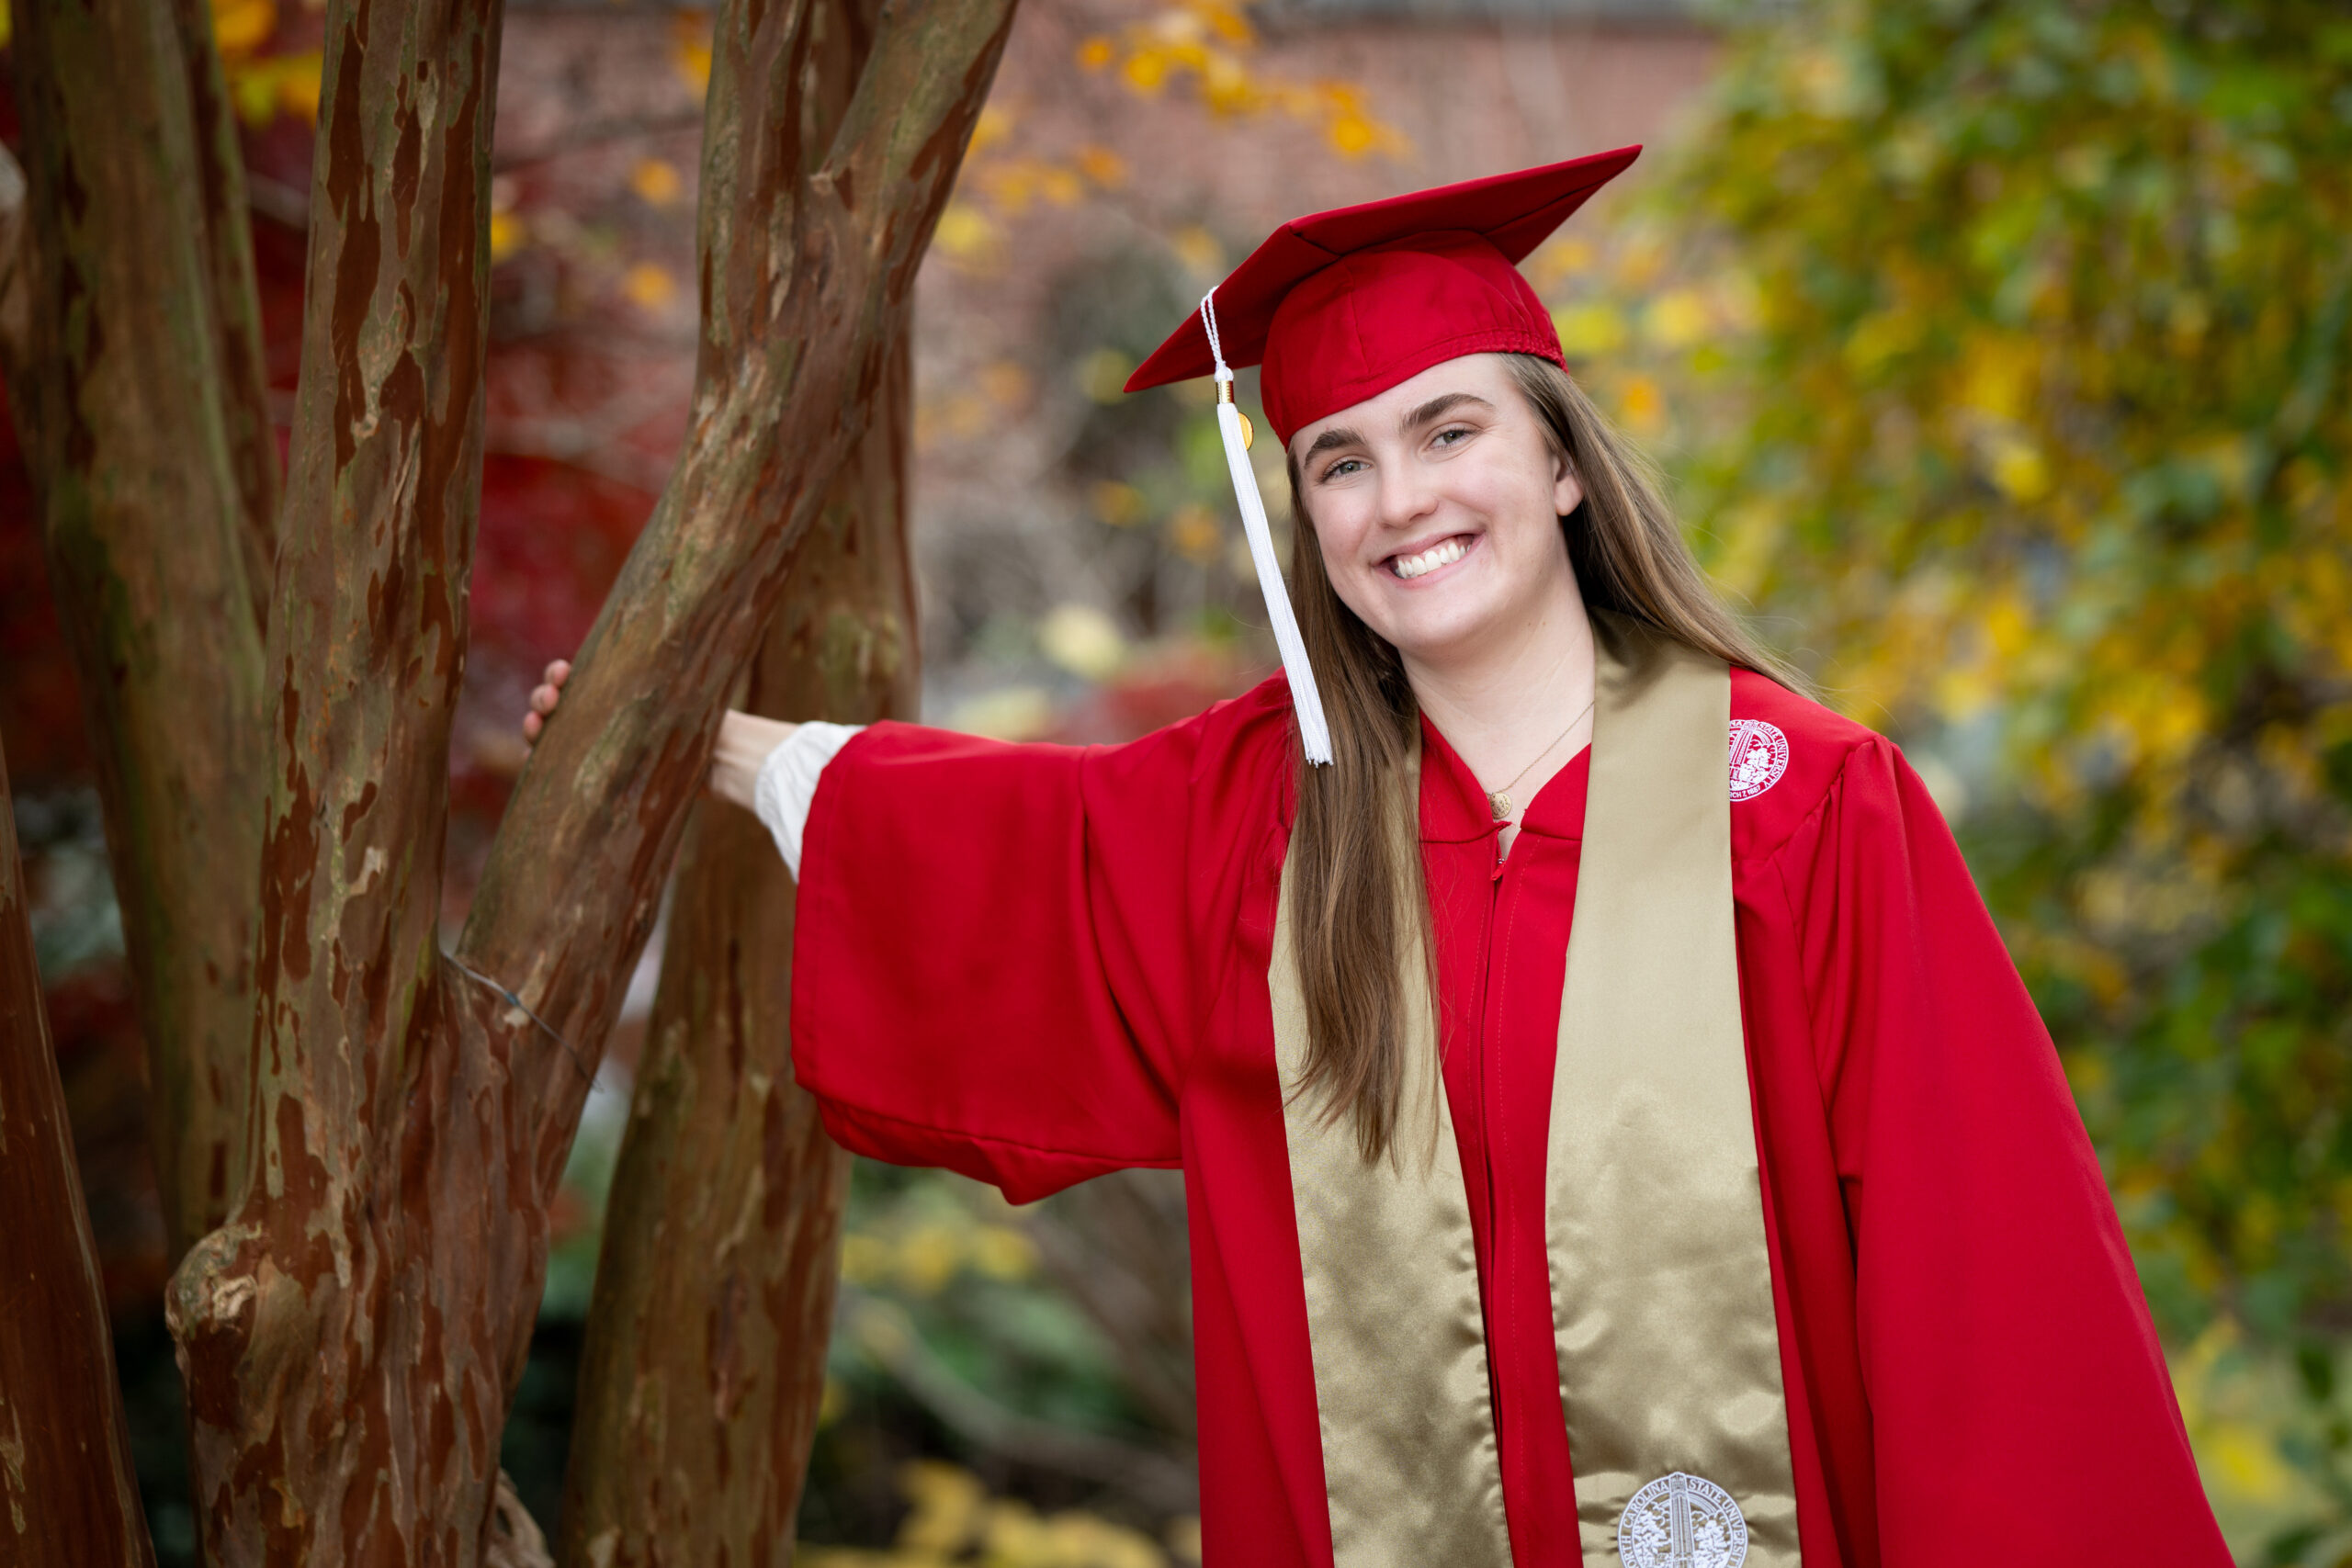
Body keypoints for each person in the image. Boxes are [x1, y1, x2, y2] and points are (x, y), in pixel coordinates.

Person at [525, 151, 2230, 1568]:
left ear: (1560, 461)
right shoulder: (1263, 821)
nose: (1399, 497)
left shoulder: (1796, 805)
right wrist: (705, 747)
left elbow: (1984, 1281)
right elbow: (1004, 850)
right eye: (1339, 460)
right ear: (1307, 524)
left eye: (1450, 432)